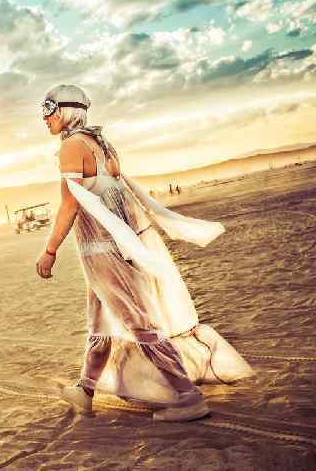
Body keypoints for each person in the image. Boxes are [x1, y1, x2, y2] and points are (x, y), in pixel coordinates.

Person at [35, 84, 253, 422]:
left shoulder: (72, 147)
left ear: (67, 110)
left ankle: (187, 397)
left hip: (103, 251)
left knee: (139, 323)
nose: (45, 117)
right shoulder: (100, 143)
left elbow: (70, 204)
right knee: (101, 322)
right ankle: (86, 390)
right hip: (117, 247)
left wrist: (50, 251)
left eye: (49, 108)